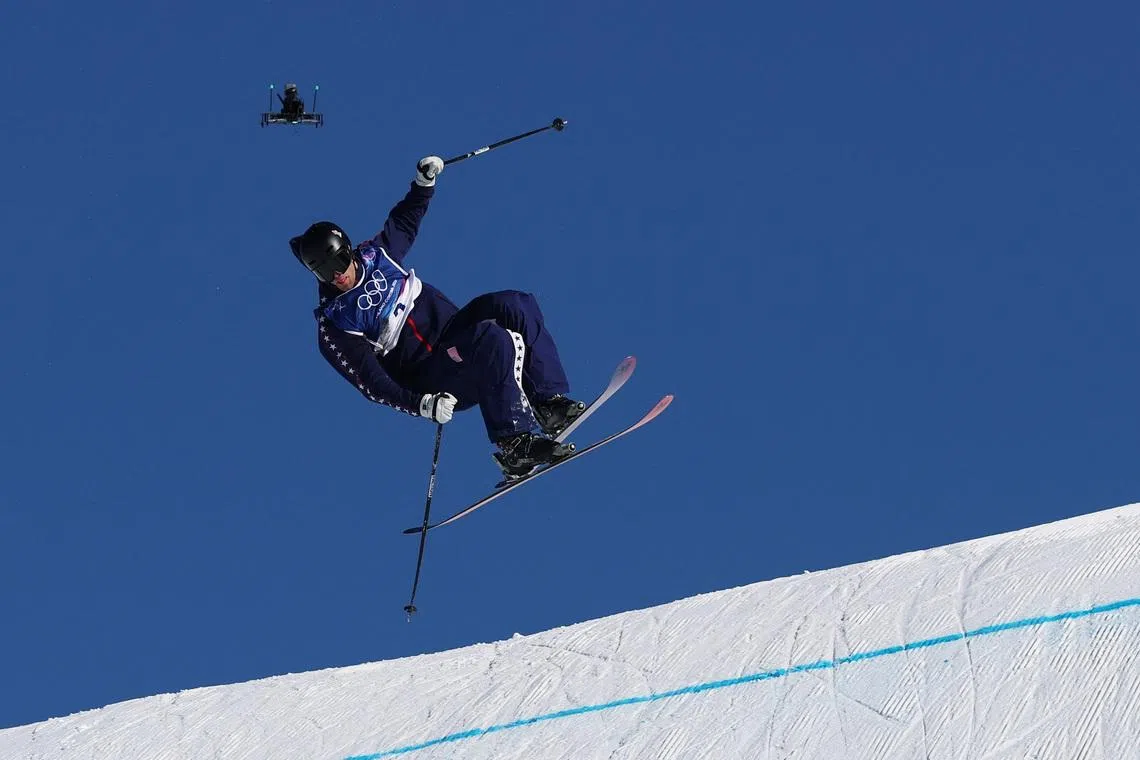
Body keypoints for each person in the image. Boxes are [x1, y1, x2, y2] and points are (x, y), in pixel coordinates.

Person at [289, 156, 585, 479]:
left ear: (348, 249)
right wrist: (421, 404)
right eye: (323, 272)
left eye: (339, 262)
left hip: (453, 333)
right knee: (492, 339)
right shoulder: (336, 321)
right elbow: (371, 383)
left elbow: (404, 222)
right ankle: (514, 443)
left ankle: (547, 402)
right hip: (432, 373)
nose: (337, 275)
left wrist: (423, 184)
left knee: (515, 304)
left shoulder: (377, 255)